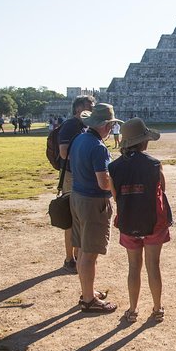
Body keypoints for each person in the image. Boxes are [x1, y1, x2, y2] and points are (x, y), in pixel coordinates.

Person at [109, 117, 168, 323]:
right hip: (153, 221)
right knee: (154, 265)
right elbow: (162, 188)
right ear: (143, 142)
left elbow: (115, 196)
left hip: (128, 220)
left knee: (133, 266)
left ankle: (133, 309)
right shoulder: (153, 164)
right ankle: (157, 307)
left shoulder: (114, 167)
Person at [70, 103, 121, 313]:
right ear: (106, 125)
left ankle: (87, 291)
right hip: (93, 202)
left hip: (77, 197)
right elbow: (103, 182)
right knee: (90, 254)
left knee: (82, 250)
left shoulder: (80, 139)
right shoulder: (98, 147)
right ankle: (89, 300)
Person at [58, 95, 95, 274]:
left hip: (81, 175)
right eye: (90, 106)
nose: (93, 109)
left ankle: (77, 255)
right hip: (71, 176)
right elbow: (64, 153)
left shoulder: (85, 125)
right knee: (72, 219)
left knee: (80, 217)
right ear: (79, 109)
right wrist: (86, 158)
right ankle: (69, 258)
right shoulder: (70, 126)